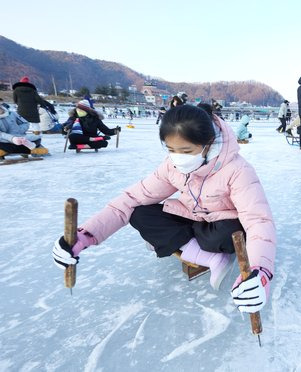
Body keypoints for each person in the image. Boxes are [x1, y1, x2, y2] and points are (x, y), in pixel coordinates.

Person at [52, 104, 276, 313]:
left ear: (208, 143)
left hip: (223, 225)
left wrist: (261, 273)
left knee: (230, 233)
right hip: (194, 217)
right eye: (171, 149)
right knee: (139, 212)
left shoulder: (237, 170)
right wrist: (84, 236)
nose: (178, 158)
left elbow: (258, 221)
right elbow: (131, 198)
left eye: (186, 151)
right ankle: (206, 256)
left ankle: (207, 250)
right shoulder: (172, 166)